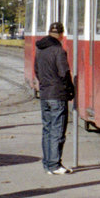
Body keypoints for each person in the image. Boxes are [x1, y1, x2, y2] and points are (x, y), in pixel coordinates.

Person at [34, 21, 74, 175]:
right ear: (61, 35)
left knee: (47, 130)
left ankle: (47, 164)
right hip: (57, 94)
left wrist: (45, 84)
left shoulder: (40, 49)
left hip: (44, 94)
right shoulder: (58, 50)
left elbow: (36, 70)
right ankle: (55, 165)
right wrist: (70, 89)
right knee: (58, 130)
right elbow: (64, 73)